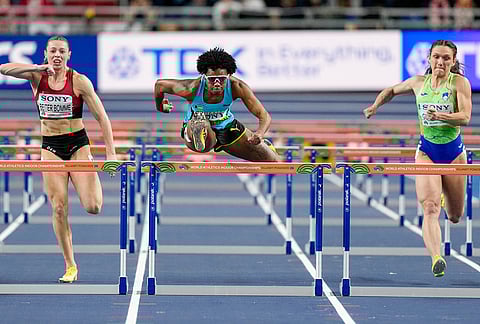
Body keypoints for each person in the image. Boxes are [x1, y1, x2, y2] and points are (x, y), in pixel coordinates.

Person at [0, 35, 117, 283]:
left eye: (61, 51)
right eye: (53, 51)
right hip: (50, 147)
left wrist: (111, 154)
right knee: (59, 208)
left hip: (77, 145)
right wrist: (36, 68)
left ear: (68, 55)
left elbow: (102, 117)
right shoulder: (36, 77)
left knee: (93, 206)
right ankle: (70, 265)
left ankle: (89, 185)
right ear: (46, 53)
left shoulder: (79, 81)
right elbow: (4, 68)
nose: (57, 55)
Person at [363, 40, 472, 278]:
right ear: (429, 59)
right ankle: (437, 258)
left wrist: (441, 115)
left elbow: (465, 117)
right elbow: (391, 90)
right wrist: (374, 106)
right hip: (427, 152)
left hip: (453, 154)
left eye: (445, 58)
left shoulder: (459, 83)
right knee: (430, 207)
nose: (440, 62)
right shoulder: (417, 83)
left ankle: (444, 198)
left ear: (453, 62)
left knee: (454, 216)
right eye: (436, 57)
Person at [154, 47, 280, 162]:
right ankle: (200, 128)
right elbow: (160, 85)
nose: (217, 83)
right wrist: (161, 107)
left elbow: (264, 115)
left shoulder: (237, 86)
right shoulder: (191, 88)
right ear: (204, 77)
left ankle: (265, 147)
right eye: (212, 79)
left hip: (226, 127)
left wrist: (259, 133)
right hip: (196, 129)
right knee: (203, 140)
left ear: (229, 76)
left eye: (222, 79)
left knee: (272, 161)